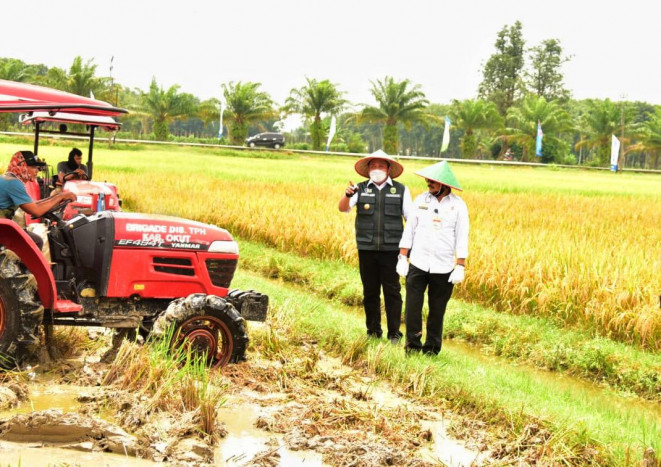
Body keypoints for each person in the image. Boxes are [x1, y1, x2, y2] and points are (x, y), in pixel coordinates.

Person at [338, 149, 413, 343]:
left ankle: (394, 333)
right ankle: (373, 331)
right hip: (367, 249)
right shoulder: (360, 189)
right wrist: (347, 195)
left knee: (392, 292)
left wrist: (406, 251)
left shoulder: (401, 190)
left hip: (392, 250)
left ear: (388, 169)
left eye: (381, 166)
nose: (377, 169)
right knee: (370, 291)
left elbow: (411, 220)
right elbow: (343, 208)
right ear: (368, 169)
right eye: (373, 166)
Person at [396, 161, 469, 355]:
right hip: (418, 263)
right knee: (412, 307)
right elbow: (409, 230)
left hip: (443, 267)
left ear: (445, 184)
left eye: (433, 180)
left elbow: (462, 236)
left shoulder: (458, 206)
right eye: (428, 179)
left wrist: (460, 265)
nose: (428, 182)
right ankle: (412, 347)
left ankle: (431, 350)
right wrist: (402, 257)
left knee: (437, 310)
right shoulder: (420, 200)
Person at [1, 151, 77, 249]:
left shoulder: (10, 178)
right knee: (36, 242)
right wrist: (61, 197)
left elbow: (32, 204)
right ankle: (12, 263)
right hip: (2, 229)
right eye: (33, 167)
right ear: (22, 166)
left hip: (3, 226)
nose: (37, 171)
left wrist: (57, 197)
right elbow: (36, 211)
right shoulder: (14, 183)